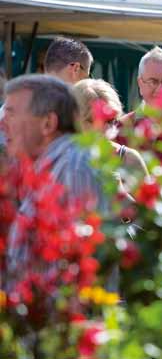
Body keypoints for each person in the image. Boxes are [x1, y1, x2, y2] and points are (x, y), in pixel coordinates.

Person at [1, 75, 105, 289]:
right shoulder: (53, 167)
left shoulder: (74, 166)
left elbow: (80, 266)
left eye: (11, 114)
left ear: (48, 123)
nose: (2, 123)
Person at [73, 79, 149, 185]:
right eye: (95, 120)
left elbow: (151, 201)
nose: (107, 129)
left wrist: (119, 192)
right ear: (75, 120)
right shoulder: (57, 159)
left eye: (111, 121)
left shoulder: (129, 159)